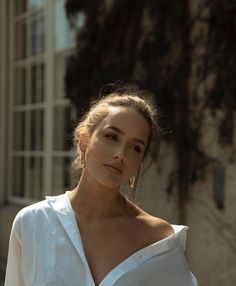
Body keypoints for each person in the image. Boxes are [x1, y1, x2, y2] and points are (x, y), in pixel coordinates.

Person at [5, 83, 198, 286]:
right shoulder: (33, 223)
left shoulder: (158, 239)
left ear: (139, 162)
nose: (120, 154)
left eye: (135, 147)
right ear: (84, 140)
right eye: (111, 136)